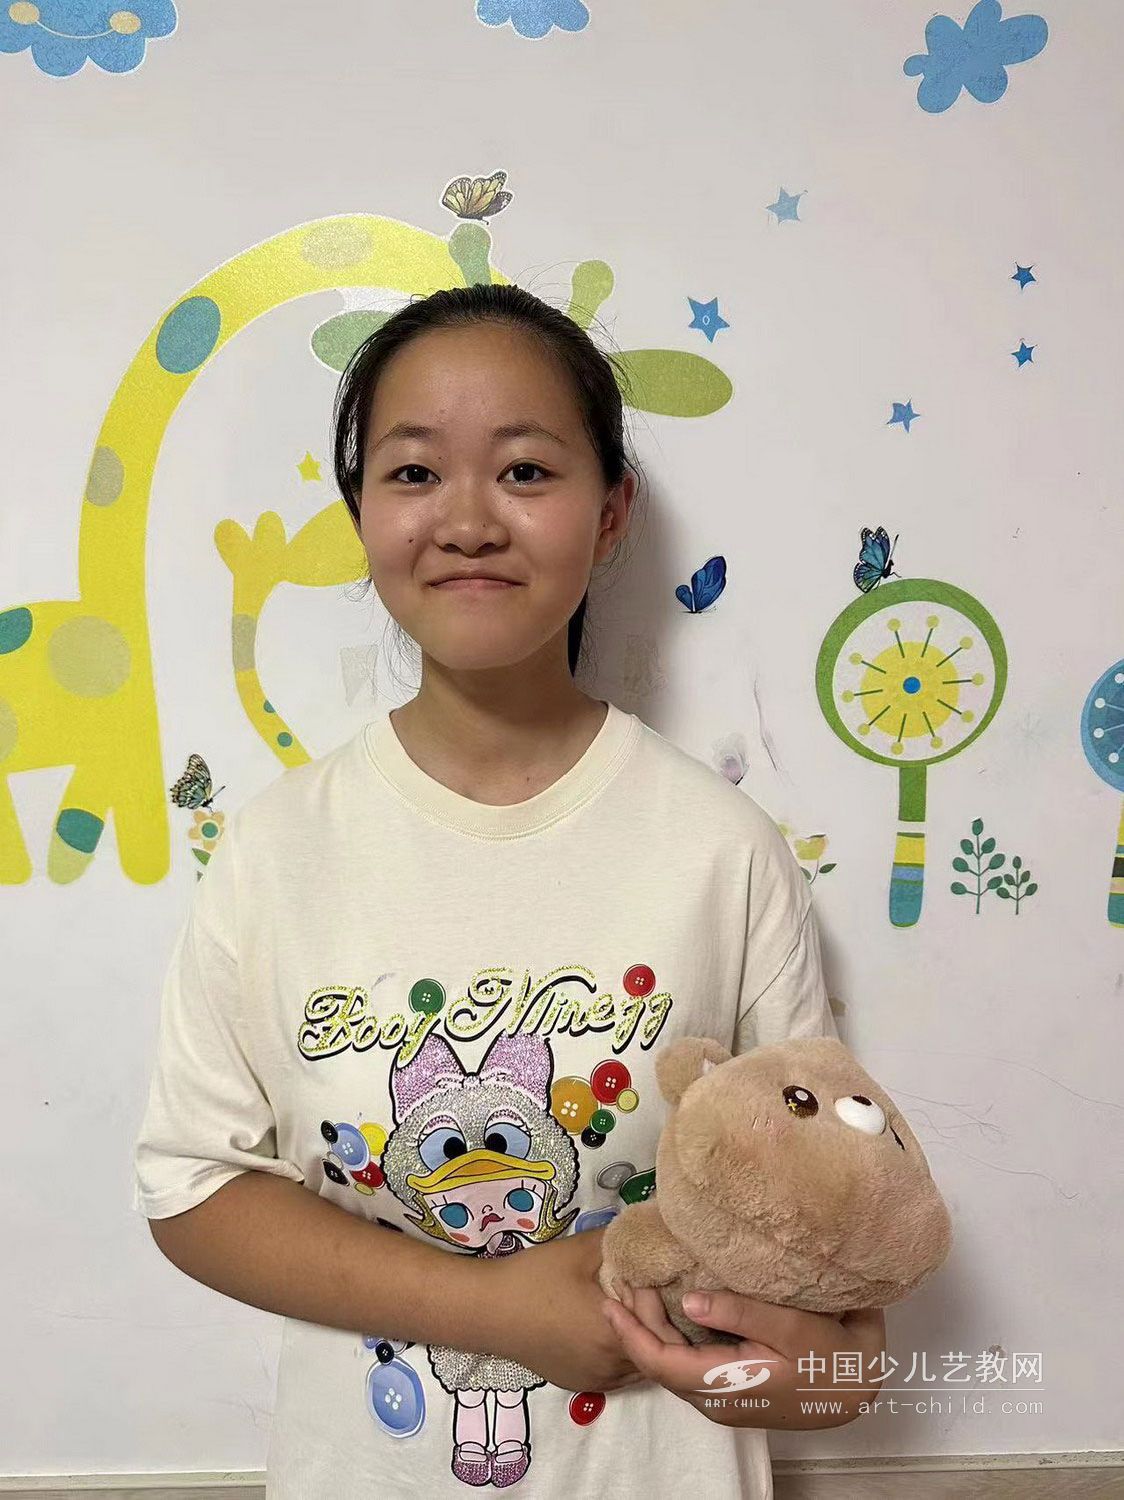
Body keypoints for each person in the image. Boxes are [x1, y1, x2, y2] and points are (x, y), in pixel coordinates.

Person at [133, 281, 886, 1498]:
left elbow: (837, 1316)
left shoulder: (721, 851)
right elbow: (192, 1187)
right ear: (361, 511)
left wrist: (805, 1373)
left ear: (609, 513)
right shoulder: (275, 852)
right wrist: (489, 1308)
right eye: (413, 472)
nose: (468, 521)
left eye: (526, 471)